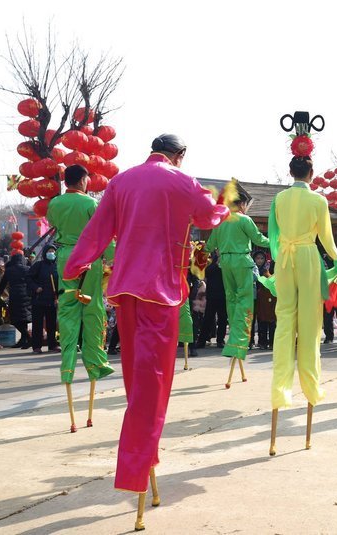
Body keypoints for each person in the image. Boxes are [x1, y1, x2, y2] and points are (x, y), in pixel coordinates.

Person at [62, 133, 228, 528]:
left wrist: (76, 265)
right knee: (154, 387)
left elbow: (97, 232)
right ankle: (136, 470)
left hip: (125, 290)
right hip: (162, 292)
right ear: (180, 155)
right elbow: (207, 217)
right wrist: (224, 206)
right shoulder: (182, 181)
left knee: (137, 382)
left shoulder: (121, 181)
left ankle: (144, 462)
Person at [267, 138, 337, 454]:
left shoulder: (278, 200)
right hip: (307, 258)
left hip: (285, 261)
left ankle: (280, 389)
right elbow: (328, 242)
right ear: (311, 173)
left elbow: (274, 238)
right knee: (311, 326)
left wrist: (277, 262)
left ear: (291, 171)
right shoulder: (317, 201)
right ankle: (311, 387)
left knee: (284, 322)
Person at [47, 165, 115, 385]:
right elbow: (103, 232)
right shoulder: (91, 204)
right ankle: (95, 363)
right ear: (83, 180)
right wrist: (113, 257)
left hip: (65, 257)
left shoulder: (54, 203)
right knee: (92, 307)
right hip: (87, 257)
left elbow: (54, 225)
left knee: (67, 307)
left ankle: (67, 366)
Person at [205, 190, 270, 360]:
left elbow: (210, 244)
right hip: (241, 261)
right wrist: (277, 242)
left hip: (225, 263)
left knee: (231, 299)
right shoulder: (244, 219)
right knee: (245, 299)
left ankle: (233, 336)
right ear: (241, 204)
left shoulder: (220, 222)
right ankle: (239, 339)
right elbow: (259, 240)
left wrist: (197, 252)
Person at [26, 244, 60, 353]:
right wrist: (36, 288)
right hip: (39, 300)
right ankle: (36, 346)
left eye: (53, 251)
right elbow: (28, 278)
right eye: (49, 251)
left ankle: (52, 345)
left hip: (52, 300)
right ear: (45, 253)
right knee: (37, 324)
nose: (52, 253)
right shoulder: (38, 265)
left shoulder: (57, 266)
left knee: (52, 324)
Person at [0, 252, 32, 350]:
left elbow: (3, 284)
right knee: (23, 318)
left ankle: (28, 338)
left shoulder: (9, 270)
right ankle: (23, 340)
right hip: (27, 295)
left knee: (15, 319)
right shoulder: (27, 269)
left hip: (15, 296)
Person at [195, 252, 228, 349]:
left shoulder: (227, 260)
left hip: (223, 295)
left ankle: (220, 340)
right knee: (208, 318)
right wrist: (216, 264)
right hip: (212, 295)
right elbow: (206, 273)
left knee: (222, 319)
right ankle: (201, 341)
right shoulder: (212, 262)